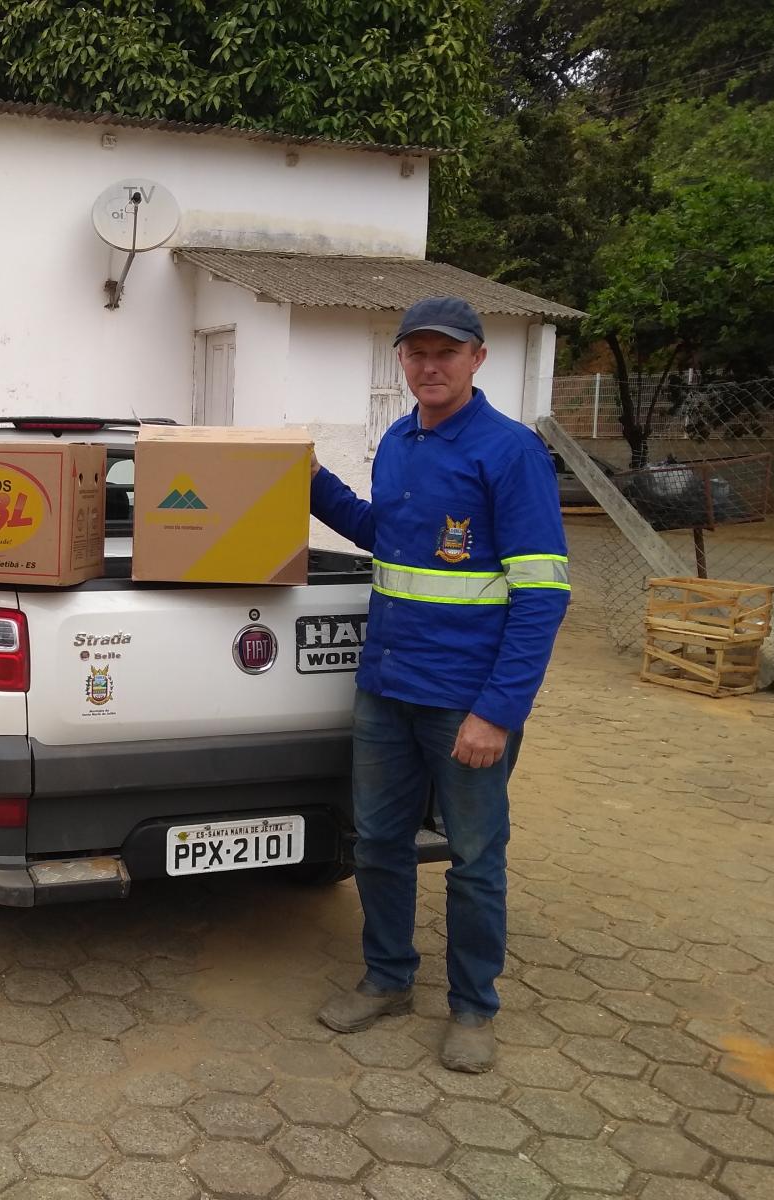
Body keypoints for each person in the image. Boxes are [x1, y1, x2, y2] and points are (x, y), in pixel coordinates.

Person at [310, 296, 570, 1073]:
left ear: (478, 359)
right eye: (416, 353)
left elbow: (543, 592)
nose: (429, 366)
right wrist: (313, 482)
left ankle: (472, 1008)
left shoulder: (509, 452)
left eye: (445, 353)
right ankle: (388, 977)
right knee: (380, 843)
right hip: (387, 685)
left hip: (465, 697)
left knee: (475, 854)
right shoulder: (397, 440)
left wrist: (497, 712)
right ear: (401, 360)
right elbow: (380, 535)